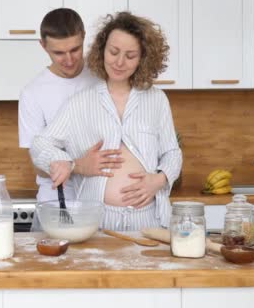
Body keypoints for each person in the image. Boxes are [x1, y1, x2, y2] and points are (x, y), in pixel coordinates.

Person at [30, 12, 182, 231]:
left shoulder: (156, 99)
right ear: (102, 50)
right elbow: (41, 144)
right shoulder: (80, 102)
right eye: (113, 52)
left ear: (143, 58)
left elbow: (172, 152)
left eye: (130, 56)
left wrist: (159, 180)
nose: (119, 62)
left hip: (150, 221)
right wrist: (63, 161)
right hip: (97, 222)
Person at [18, 8, 124, 206]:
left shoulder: (103, 76)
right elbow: (38, 165)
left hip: (103, 198)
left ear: (84, 37)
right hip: (57, 200)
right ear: (43, 46)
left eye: (75, 49)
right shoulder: (32, 93)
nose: (68, 60)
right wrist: (78, 166)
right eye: (58, 53)